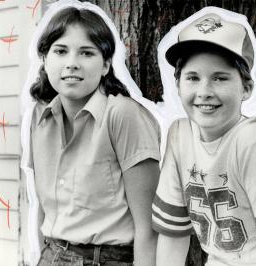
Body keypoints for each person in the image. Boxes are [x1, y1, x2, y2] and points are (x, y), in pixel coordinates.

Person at [152, 7, 256, 266]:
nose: (204, 91)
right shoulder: (180, 136)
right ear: (178, 85)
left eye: (219, 78)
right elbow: (173, 237)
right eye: (193, 78)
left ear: (246, 88)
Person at [21, 1, 160, 265]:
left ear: (106, 65)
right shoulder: (39, 118)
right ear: (45, 59)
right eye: (60, 51)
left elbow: (149, 228)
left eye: (86, 53)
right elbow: (40, 208)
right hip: (51, 255)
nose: (72, 63)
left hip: (108, 258)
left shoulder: (123, 115)